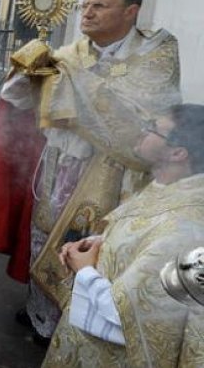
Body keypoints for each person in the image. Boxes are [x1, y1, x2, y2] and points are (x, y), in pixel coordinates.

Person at [0, 0, 181, 342]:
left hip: (116, 174)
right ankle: (41, 313)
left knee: (92, 246)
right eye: (84, 6)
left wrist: (70, 84)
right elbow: (21, 102)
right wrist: (27, 76)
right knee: (44, 236)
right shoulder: (72, 53)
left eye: (99, 6)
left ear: (131, 11)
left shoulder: (157, 51)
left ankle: (74, 321)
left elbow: (145, 120)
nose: (88, 13)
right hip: (59, 166)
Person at [44, 104, 204, 366]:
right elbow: (144, 239)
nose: (142, 131)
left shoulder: (185, 228)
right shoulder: (174, 190)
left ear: (178, 153)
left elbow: (131, 315)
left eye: (153, 128)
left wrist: (84, 271)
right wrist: (102, 244)